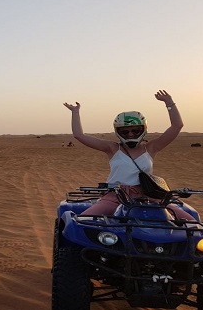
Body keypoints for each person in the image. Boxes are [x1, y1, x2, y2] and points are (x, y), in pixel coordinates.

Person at [63, 90, 194, 220]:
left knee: (191, 222)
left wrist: (169, 103)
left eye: (135, 130)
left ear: (143, 129)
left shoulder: (152, 147)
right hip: (116, 195)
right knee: (83, 220)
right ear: (118, 132)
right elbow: (79, 135)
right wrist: (75, 112)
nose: (130, 134)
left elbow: (177, 126)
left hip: (147, 196)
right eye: (125, 132)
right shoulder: (112, 148)